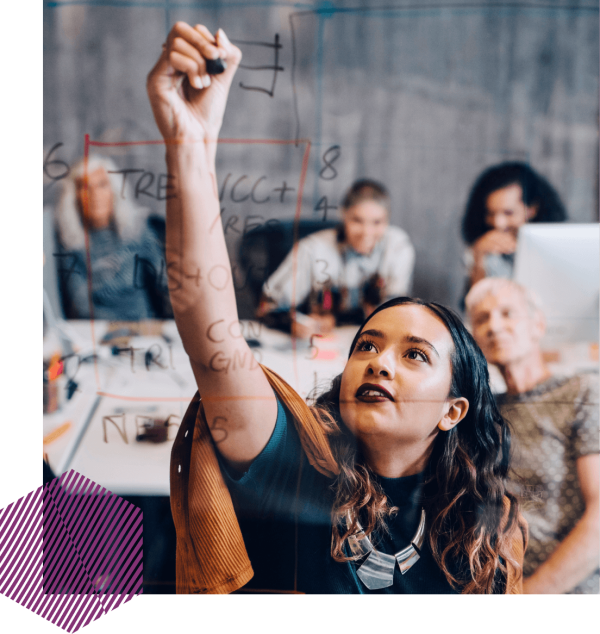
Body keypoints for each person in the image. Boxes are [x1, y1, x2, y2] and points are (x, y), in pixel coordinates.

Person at [146, 21, 527, 596]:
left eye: (415, 354)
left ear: (452, 411)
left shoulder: (483, 531)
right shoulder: (295, 467)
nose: (378, 362)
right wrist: (189, 142)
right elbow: (214, 338)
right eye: (367, 346)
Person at [466, 278, 599, 595]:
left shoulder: (581, 392)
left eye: (507, 313)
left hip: (568, 584)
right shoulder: (482, 413)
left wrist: (531, 591)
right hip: (492, 582)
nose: (494, 326)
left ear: (537, 325)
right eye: (482, 319)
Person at [258, 180, 416, 338]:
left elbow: (395, 311)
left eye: (377, 222)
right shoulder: (313, 249)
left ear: (387, 221)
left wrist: (337, 319)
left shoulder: (398, 246)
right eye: (357, 220)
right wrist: (293, 324)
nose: (367, 232)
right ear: (344, 215)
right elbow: (267, 307)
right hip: (315, 342)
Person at [55, 155, 172, 320]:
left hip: (145, 327)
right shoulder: (70, 242)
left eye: (102, 185)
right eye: (85, 187)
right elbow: (81, 305)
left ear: (114, 190)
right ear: (74, 197)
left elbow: (165, 285)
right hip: (97, 332)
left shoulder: (138, 229)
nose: (94, 194)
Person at [462, 163, 568, 293]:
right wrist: (478, 260)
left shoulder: (559, 248)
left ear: (531, 209)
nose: (498, 223)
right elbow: (475, 309)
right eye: (490, 213)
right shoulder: (481, 247)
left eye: (508, 213)